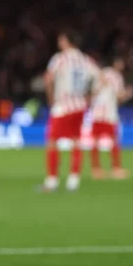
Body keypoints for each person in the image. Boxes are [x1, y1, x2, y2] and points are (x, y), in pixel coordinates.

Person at [41, 30, 99, 192]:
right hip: (80, 106)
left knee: (52, 142)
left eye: (61, 39)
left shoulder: (60, 58)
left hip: (63, 106)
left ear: (66, 41)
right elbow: (100, 79)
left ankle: (51, 181)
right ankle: (73, 180)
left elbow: (48, 78)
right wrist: (89, 97)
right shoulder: (86, 60)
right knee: (76, 141)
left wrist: (51, 99)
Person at [91, 56, 133, 179]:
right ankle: (116, 168)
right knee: (114, 141)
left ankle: (96, 169)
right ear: (116, 63)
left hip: (96, 112)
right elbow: (119, 96)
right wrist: (128, 94)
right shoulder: (116, 76)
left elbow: (94, 91)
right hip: (108, 113)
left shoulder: (102, 73)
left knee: (95, 141)